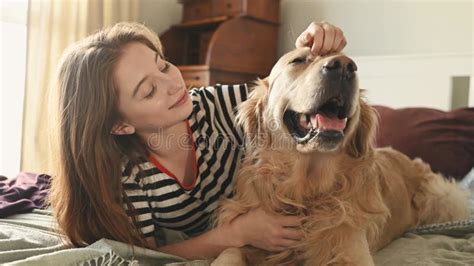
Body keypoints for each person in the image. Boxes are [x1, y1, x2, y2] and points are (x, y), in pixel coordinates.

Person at [48, 21, 346, 260]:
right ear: (121, 125)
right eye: (149, 90)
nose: (173, 83)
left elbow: (282, 93)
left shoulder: (217, 105)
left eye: (162, 65)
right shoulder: (129, 178)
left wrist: (311, 54)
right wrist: (235, 235)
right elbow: (148, 256)